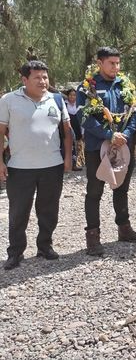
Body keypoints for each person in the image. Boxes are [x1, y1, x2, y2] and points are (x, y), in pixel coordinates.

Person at [0, 60, 73, 270]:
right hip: (20, 167)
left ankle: (45, 246)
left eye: (45, 77)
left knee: (49, 209)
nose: (43, 82)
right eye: (37, 78)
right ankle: (15, 253)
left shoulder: (57, 99)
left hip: (52, 165)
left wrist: (67, 158)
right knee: (18, 212)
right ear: (24, 80)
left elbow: (67, 131)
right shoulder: (8, 100)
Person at [77, 47, 136, 256]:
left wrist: (126, 134)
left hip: (122, 145)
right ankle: (93, 237)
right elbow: (84, 118)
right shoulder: (87, 87)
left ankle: (124, 228)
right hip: (97, 148)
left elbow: (135, 112)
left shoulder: (125, 85)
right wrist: (108, 135)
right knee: (94, 192)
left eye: (118, 63)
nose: (116, 67)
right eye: (111, 63)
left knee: (121, 188)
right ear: (100, 63)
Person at [65, 88, 84, 170]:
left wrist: (83, 131)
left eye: (74, 95)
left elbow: (82, 120)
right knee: (69, 147)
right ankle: (69, 164)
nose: (72, 97)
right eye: (70, 95)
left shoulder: (79, 105)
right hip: (68, 130)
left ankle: (78, 164)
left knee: (79, 147)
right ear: (68, 96)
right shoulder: (64, 105)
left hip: (78, 129)